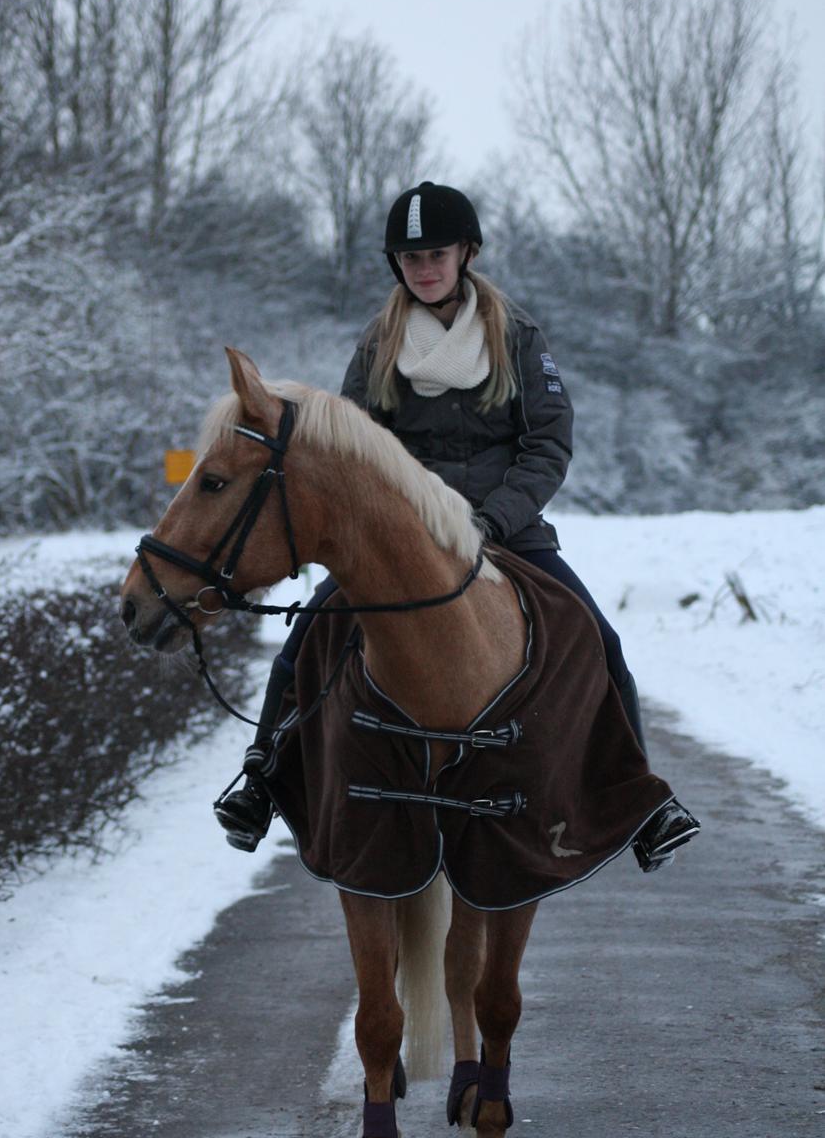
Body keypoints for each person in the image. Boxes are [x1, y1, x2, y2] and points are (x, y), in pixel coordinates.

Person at [214, 180, 700, 873]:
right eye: (409, 257)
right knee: (306, 640)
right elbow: (351, 448)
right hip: (402, 537)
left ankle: (643, 804)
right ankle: (260, 780)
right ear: (396, 266)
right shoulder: (377, 344)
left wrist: (494, 517)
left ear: (465, 252)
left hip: (507, 529)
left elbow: (546, 446)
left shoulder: (519, 337)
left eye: (435, 252)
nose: (423, 268)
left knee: (598, 639)